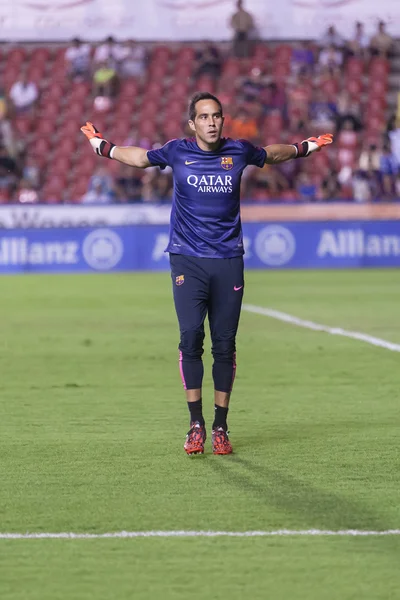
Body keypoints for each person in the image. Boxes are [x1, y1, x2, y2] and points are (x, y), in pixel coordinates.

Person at [80, 91, 333, 455]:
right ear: (192, 123)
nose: (211, 122)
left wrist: (305, 147)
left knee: (225, 345)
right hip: (187, 259)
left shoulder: (239, 151)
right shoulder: (176, 151)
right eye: (204, 117)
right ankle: (195, 423)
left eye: (216, 116)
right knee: (190, 336)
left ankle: (221, 426)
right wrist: (102, 146)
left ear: (222, 120)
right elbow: (138, 159)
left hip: (228, 258)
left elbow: (272, 154)